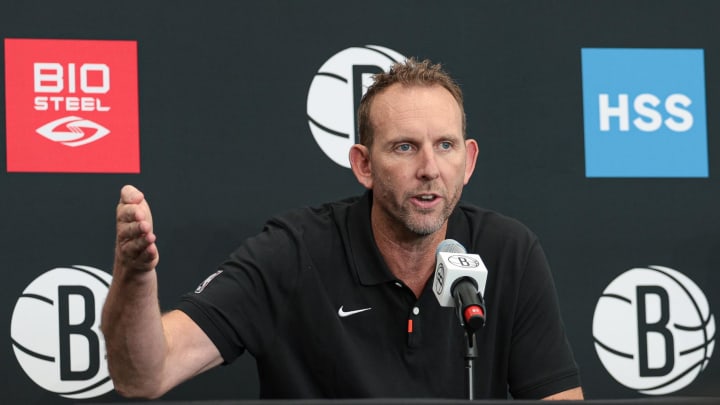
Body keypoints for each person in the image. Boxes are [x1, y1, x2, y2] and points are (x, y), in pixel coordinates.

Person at [102, 58, 583, 400]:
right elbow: (146, 375)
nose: (430, 168)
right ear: (363, 165)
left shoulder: (509, 252)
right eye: (404, 148)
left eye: (445, 145)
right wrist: (135, 278)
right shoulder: (293, 252)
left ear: (469, 159)